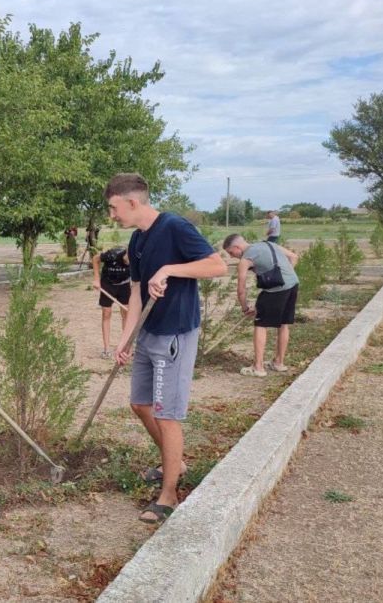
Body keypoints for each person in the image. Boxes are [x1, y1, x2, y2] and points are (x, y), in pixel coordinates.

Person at [106, 173, 226, 523]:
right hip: (147, 332)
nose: (112, 216)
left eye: (114, 208)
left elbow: (218, 266)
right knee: (140, 404)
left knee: (166, 413)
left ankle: (169, 495)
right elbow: (135, 293)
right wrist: (124, 339)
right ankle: (176, 463)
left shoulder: (174, 227)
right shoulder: (136, 240)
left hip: (175, 333)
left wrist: (171, 269)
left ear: (133, 201)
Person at [222, 234, 300, 377]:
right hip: (293, 284)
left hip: (275, 290)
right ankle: (279, 363)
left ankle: (258, 367)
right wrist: (285, 275)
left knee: (260, 325)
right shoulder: (269, 244)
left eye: (231, 253)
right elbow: (294, 257)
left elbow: (241, 289)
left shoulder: (246, 259)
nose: (233, 257)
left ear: (237, 247)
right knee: (284, 324)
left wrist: (245, 308)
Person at [91, 247, 131, 358]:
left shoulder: (138, 259)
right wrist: (96, 278)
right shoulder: (112, 255)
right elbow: (95, 259)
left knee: (126, 314)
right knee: (106, 313)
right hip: (107, 284)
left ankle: (125, 347)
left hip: (124, 285)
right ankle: (106, 349)